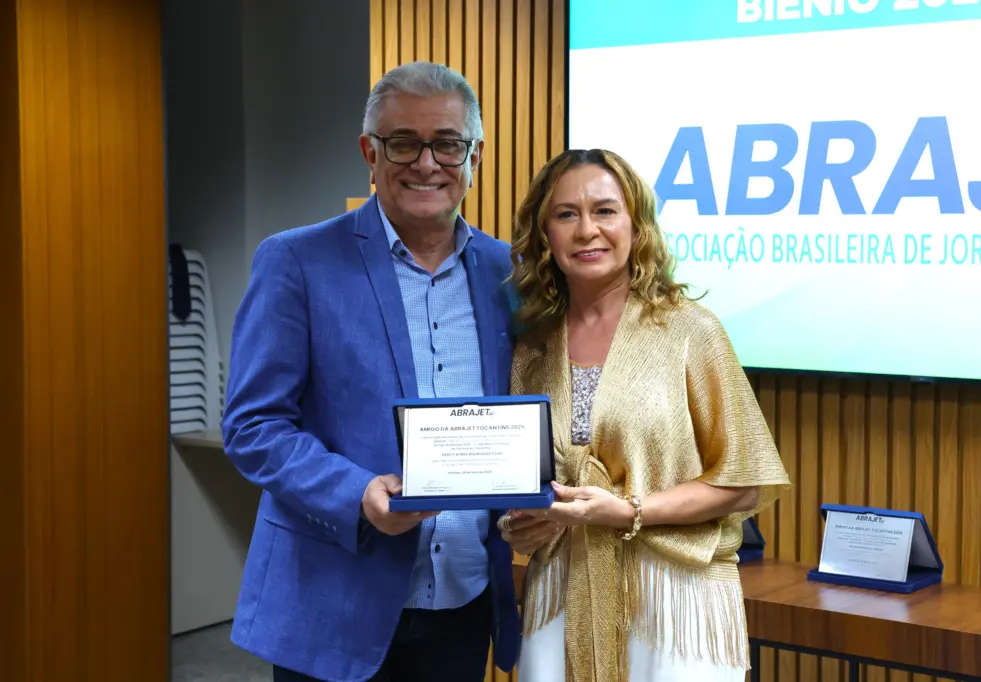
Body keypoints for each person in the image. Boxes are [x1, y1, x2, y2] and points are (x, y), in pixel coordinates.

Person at [221, 61, 521, 682]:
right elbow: (252, 427)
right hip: (331, 600)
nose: (426, 163)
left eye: (447, 143)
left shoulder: (505, 272)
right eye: (403, 143)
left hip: (462, 600)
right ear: (370, 151)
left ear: (475, 155)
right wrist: (356, 494)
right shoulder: (295, 261)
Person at [498, 149, 791, 682]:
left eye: (605, 211)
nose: (587, 230)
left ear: (637, 226)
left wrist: (627, 511)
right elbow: (530, 483)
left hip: (673, 601)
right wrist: (522, 526)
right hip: (562, 594)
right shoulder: (533, 348)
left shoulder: (690, 331)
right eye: (566, 214)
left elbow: (744, 483)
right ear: (545, 236)